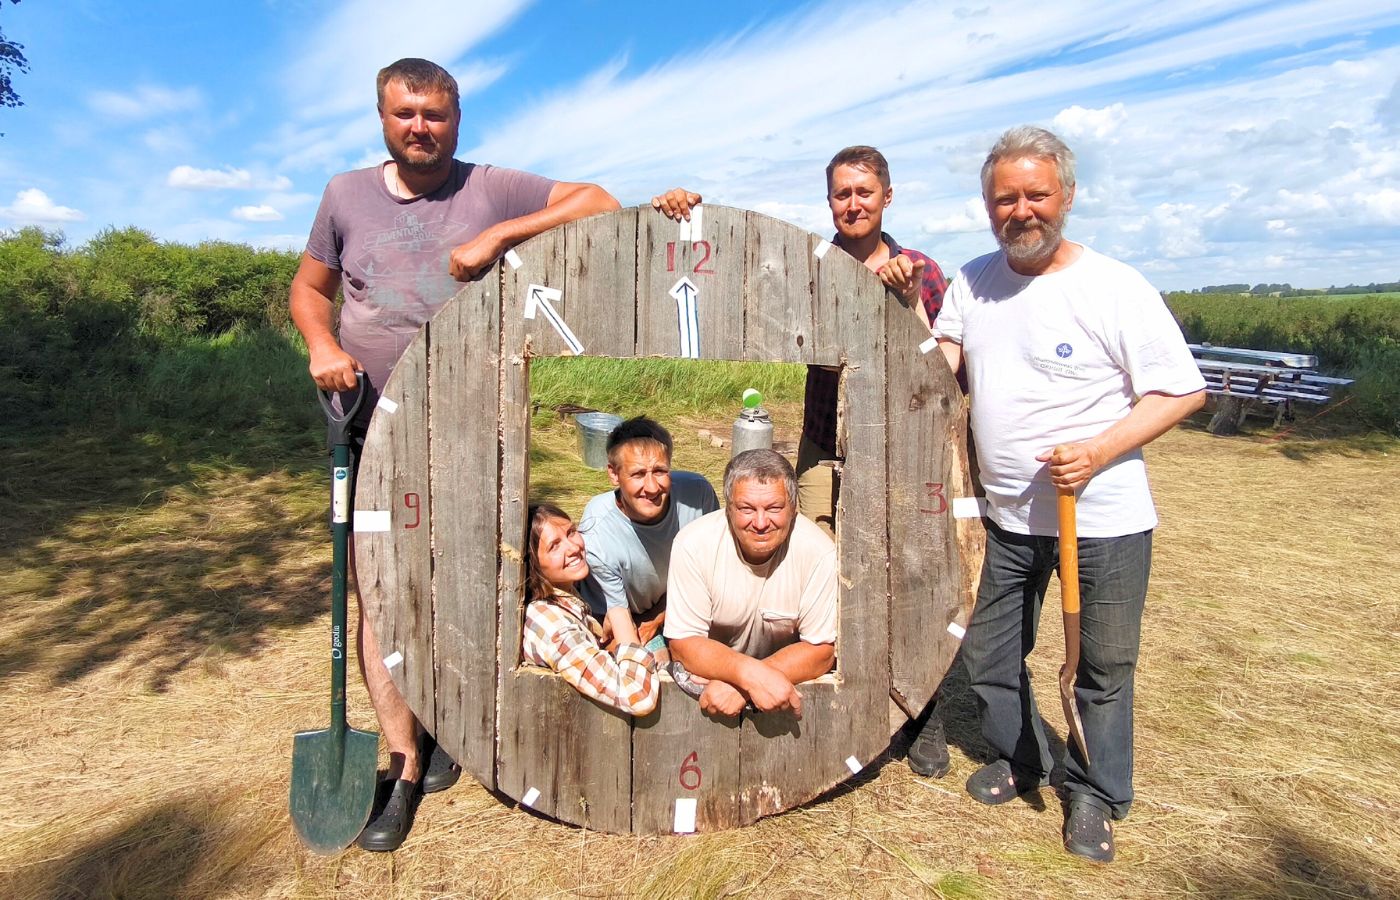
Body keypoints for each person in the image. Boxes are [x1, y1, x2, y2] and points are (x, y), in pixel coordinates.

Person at [289, 57, 619, 852]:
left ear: (456, 119)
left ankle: (458, 725)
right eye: (405, 113)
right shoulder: (344, 195)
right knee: (381, 586)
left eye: (436, 114)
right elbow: (310, 289)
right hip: (369, 420)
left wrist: (497, 236)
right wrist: (320, 344)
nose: (420, 128)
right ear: (381, 116)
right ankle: (403, 762)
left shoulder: (489, 186)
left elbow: (601, 202)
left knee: (473, 578)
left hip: (473, 424)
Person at [933, 125, 1206, 863]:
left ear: (1068, 196)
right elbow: (942, 367)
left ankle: (1093, 793)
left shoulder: (1114, 287)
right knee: (988, 651)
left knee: (1102, 667)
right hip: (1008, 518)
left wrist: (1100, 450)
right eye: (1005, 198)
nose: (1021, 210)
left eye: (1036, 194)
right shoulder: (972, 281)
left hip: (1104, 522)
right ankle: (1022, 756)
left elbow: (1180, 390)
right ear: (987, 206)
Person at [650, 146, 953, 776]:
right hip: (822, 437)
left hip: (892, 446)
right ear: (829, 201)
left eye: (864, 192)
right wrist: (684, 215)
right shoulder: (814, 263)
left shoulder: (919, 268)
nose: (853, 203)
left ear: (887, 197)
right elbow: (738, 272)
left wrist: (907, 301)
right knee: (813, 549)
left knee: (903, 565)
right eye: (842, 193)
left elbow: (939, 364)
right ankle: (807, 671)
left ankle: (921, 710)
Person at [663, 449, 837, 719]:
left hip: (778, 696)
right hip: (708, 688)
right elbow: (683, 644)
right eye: (746, 508)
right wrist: (750, 677)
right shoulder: (693, 545)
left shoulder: (819, 552)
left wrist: (747, 684)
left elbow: (822, 651)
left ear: (794, 507)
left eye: (774, 508)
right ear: (728, 508)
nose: (760, 522)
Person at [578, 417, 718, 664]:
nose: (651, 487)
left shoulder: (698, 495)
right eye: (638, 474)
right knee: (656, 663)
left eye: (660, 471)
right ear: (613, 474)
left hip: (680, 604)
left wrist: (658, 618)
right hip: (616, 615)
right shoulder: (598, 531)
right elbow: (621, 625)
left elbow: (713, 573)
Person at [521, 504, 660, 715]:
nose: (573, 547)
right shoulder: (549, 622)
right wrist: (619, 613)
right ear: (533, 564)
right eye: (554, 546)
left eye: (571, 532)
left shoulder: (568, 600)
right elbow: (638, 696)